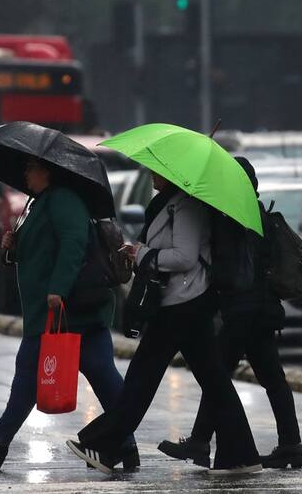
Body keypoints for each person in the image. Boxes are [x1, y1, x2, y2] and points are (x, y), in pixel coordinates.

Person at [67, 170, 262, 475]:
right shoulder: (171, 203)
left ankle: (106, 446)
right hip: (184, 303)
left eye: (156, 171)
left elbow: (184, 257)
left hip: (181, 304)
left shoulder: (185, 206)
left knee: (142, 379)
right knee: (213, 381)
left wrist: (143, 253)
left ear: (172, 174)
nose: (152, 175)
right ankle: (241, 455)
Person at [0, 157, 138, 470]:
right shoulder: (41, 201)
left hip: (65, 306)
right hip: (63, 309)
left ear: (47, 172)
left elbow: (73, 242)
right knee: (97, 373)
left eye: (31, 168)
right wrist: (14, 245)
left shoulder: (63, 200)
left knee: (35, 368)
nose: (26, 173)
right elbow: (44, 245)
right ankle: (126, 445)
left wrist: (59, 288)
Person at [159, 157, 302, 469]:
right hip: (263, 308)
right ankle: (291, 445)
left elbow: (230, 271)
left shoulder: (230, 218)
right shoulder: (258, 214)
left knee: (217, 375)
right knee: (271, 377)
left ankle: (200, 442)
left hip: (241, 309)